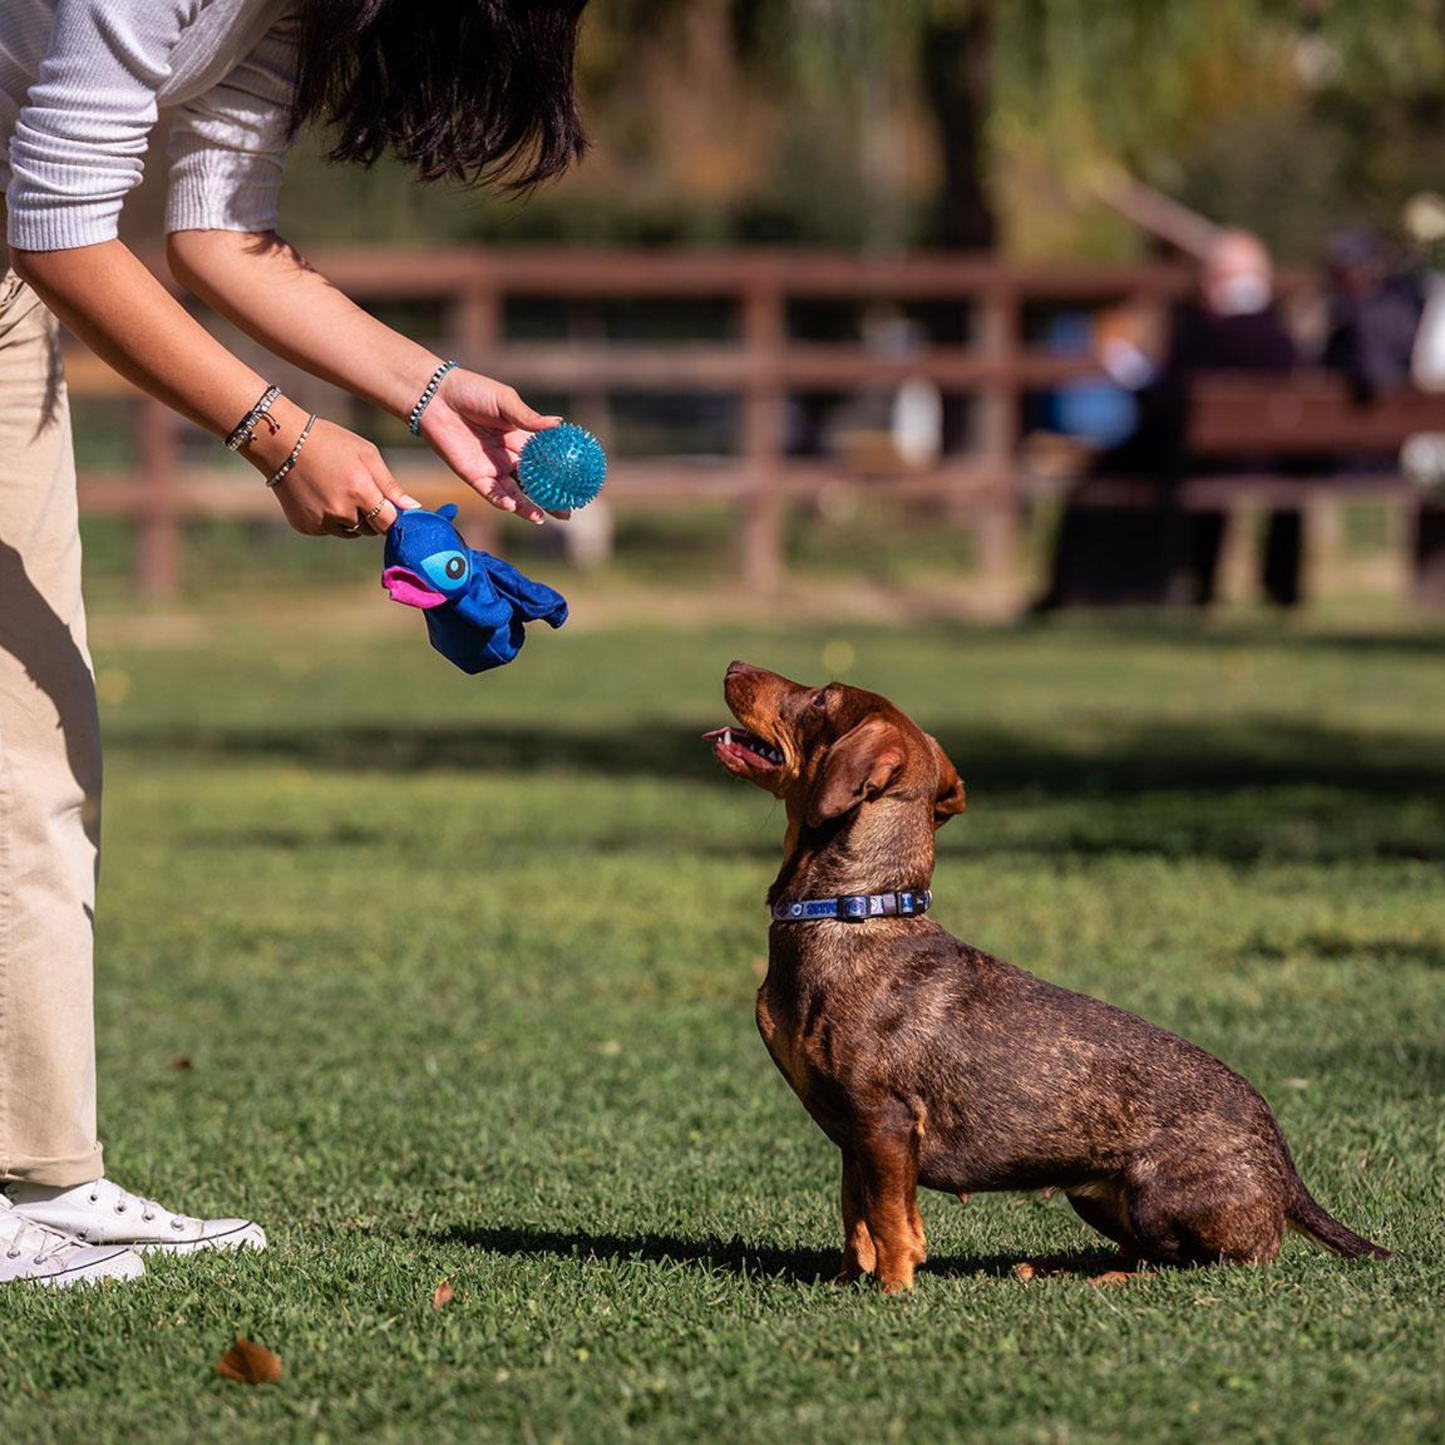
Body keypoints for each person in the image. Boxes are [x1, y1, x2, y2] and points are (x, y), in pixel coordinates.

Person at [1, 0, 588, 1286]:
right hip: (22, 247)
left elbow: (215, 234)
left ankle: (39, 1172)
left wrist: (430, 392)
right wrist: (278, 434)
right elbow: (59, 223)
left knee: (36, 743)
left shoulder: (286, 10)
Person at [1034, 229, 1300, 610]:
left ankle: (1092, 587)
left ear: (1216, 278)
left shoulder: (1200, 332)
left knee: (1110, 471)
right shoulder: (1282, 337)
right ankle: (1275, 589)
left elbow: (1167, 402)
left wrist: (1134, 373)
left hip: (1198, 460)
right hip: (1270, 462)